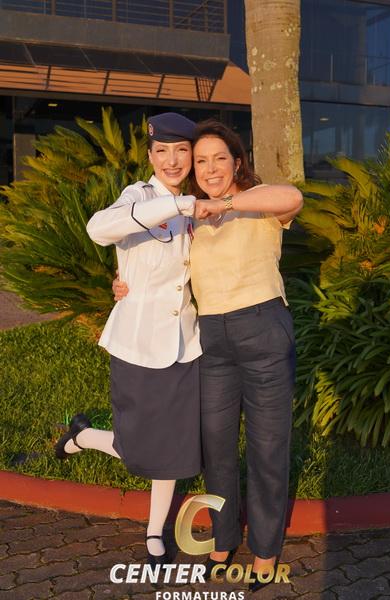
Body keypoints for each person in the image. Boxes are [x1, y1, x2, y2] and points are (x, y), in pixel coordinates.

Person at [114, 119, 303, 593]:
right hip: (212, 341)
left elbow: (292, 197)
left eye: (220, 158)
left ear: (237, 162)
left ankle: (265, 549)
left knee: (266, 447)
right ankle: (223, 540)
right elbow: (155, 262)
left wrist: (228, 203)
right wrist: (122, 283)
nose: (210, 168)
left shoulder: (257, 203)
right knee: (216, 447)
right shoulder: (189, 217)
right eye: (201, 161)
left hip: (263, 330)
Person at [54, 112, 202, 567]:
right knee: (137, 444)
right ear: (150, 156)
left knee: (172, 445)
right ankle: (83, 437)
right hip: (138, 341)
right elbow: (99, 229)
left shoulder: (202, 204)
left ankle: (155, 531)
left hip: (186, 342)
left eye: (181, 151)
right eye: (162, 151)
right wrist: (179, 205)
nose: (172, 161)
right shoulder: (138, 197)